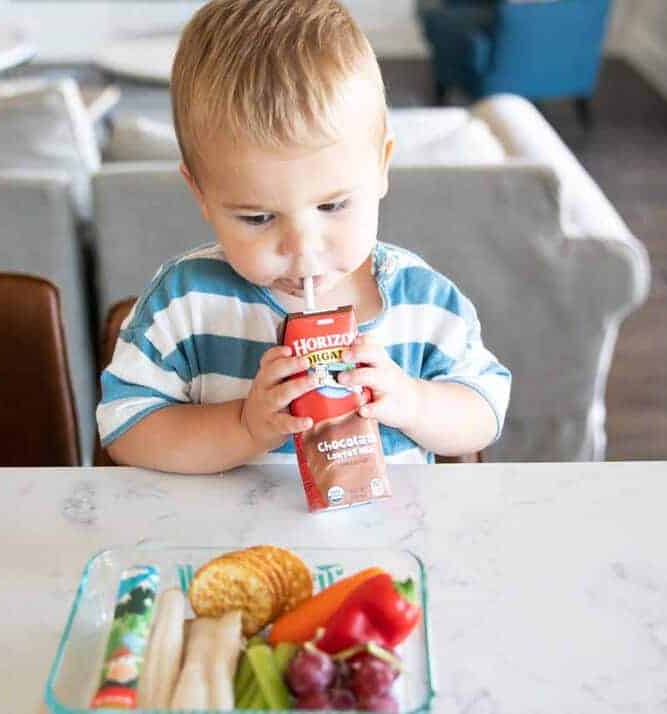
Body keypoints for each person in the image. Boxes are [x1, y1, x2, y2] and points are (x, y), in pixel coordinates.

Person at [98, 0, 510, 473]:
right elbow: (125, 429)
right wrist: (244, 427)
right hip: (227, 544)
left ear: (381, 167)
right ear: (202, 194)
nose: (302, 248)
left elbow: (485, 408)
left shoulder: (423, 303)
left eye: (333, 206)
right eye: (257, 218)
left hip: (386, 544)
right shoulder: (184, 303)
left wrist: (413, 402)